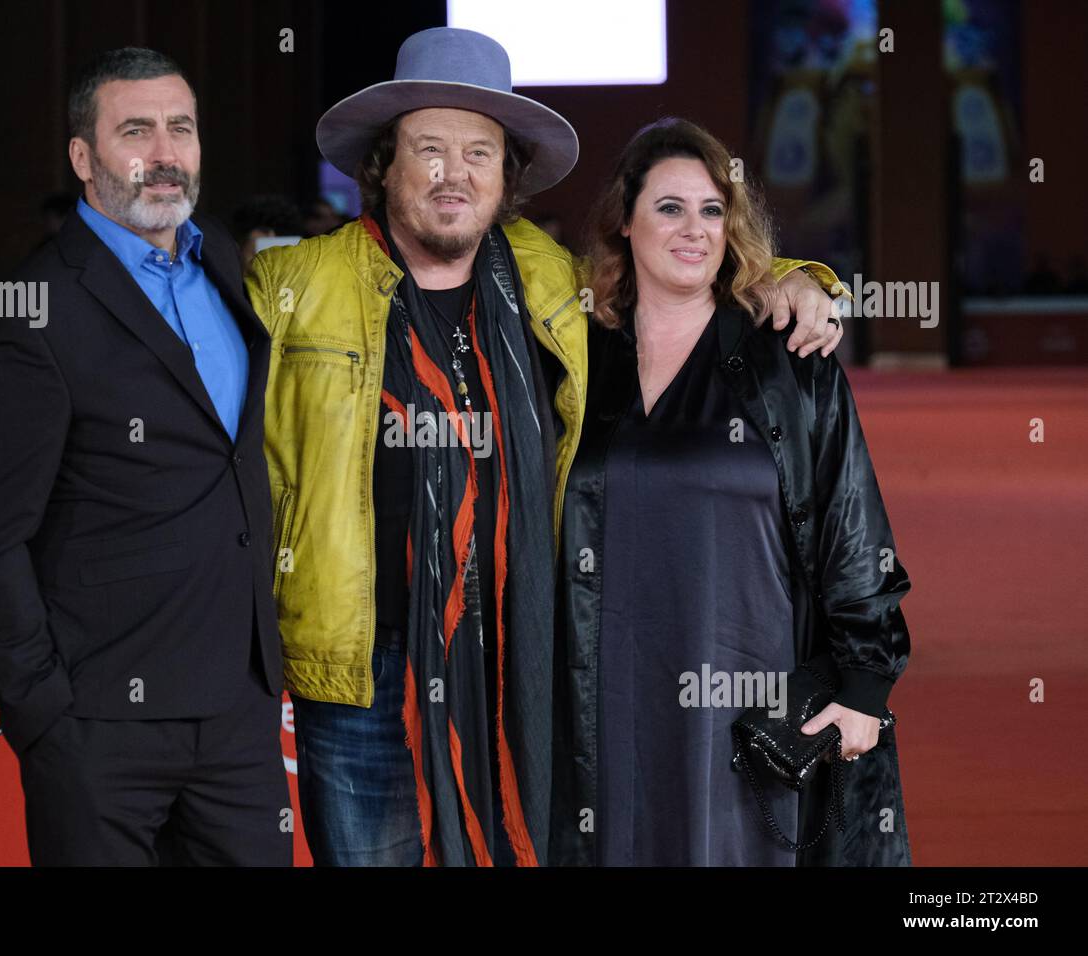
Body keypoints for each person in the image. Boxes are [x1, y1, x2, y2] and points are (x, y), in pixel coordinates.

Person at [245, 28, 844, 866]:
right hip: (360, 668)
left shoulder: (548, 281)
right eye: (429, 150)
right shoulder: (294, 288)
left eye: (478, 153)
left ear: (506, 175)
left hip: (520, 652)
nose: (454, 174)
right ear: (385, 166)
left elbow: (676, 272)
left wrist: (798, 279)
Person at [0, 47, 288, 866]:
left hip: (238, 723)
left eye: (181, 128)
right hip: (100, 736)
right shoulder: (30, 314)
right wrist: (46, 721)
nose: (164, 154)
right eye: (135, 130)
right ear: (83, 156)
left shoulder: (223, 273)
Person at [553, 118, 911, 866]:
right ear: (624, 220)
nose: (694, 230)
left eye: (713, 210)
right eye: (670, 207)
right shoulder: (572, 357)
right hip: (606, 690)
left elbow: (853, 521)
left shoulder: (788, 355)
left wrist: (865, 686)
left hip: (754, 691)